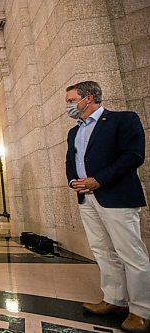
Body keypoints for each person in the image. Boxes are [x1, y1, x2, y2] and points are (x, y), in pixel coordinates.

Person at [65, 81, 150, 332]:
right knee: (102, 250)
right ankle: (114, 299)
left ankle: (141, 310)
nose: (68, 105)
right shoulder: (74, 131)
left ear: (88, 98)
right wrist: (73, 181)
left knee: (131, 254)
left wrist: (99, 180)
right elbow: (71, 161)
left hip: (116, 196)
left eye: (71, 100)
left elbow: (133, 156)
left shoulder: (123, 120)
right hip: (86, 199)